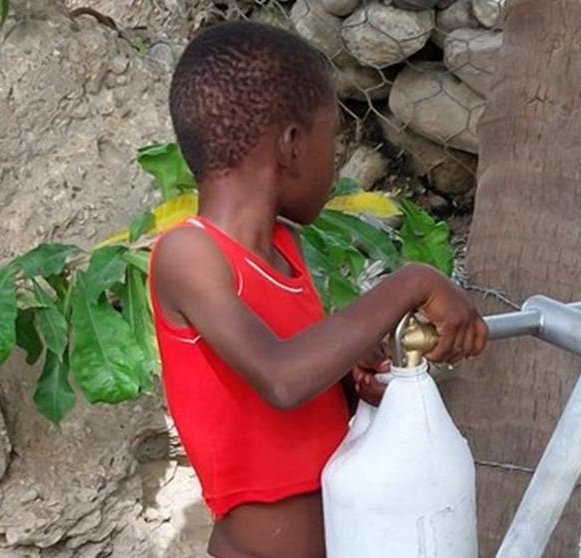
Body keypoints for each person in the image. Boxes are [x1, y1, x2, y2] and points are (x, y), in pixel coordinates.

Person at [149, 20, 488, 558]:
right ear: (290, 146)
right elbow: (281, 379)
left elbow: (300, 388)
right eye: (330, 139)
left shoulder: (286, 248)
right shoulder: (189, 255)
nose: (335, 162)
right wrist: (414, 280)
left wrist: (355, 382)